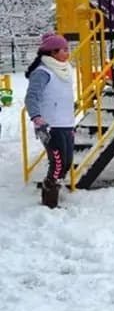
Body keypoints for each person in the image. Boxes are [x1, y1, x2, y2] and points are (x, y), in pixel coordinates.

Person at [24, 33, 75, 208]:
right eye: (64, 50)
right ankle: (49, 202)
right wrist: (37, 118)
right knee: (58, 163)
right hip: (50, 125)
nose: (67, 53)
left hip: (67, 123)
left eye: (68, 49)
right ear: (52, 52)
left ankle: (52, 187)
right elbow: (31, 97)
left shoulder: (65, 69)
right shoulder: (42, 72)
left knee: (67, 162)